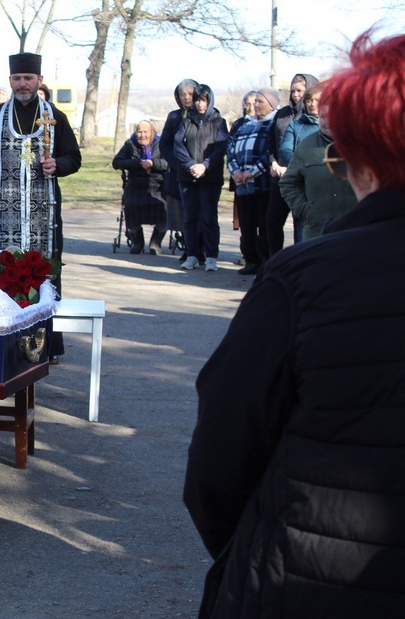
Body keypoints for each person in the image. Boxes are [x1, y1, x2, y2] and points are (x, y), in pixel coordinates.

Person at [184, 31, 405, 617]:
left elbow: (219, 458)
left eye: (340, 157)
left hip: (305, 584)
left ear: (363, 163)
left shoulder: (302, 281)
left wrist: (255, 550)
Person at [0, 52, 81, 361]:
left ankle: (48, 345)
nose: (22, 84)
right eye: (17, 79)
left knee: (44, 274)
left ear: (39, 81)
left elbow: (74, 158)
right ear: (10, 81)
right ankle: (0, 340)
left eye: (28, 78)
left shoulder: (54, 116)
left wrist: (57, 164)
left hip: (42, 216)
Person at [279, 107, 357, 241]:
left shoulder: (362, 144)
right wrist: (306, 210)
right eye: (322, 117)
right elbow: (288, 183)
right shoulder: (306, 146)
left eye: (332, 116)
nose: (327, 122)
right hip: (317, 232)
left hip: (355, 230)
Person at [173, 83, 227, 272]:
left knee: (209, 217)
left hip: (210, 177)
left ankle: (211, 257)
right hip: (188, 177)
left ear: (209, 100)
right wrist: (190, 165)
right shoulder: (186, 121)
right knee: (189, 217)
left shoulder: (219, 122)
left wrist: (204, 166)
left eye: (203, 100)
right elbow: (178, 145)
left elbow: (220, 148)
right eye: (197, 100)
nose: (200, 104)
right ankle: (192, 255)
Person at [265, 72, 319, 252]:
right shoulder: (283, 115)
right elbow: (273, 144)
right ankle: (275, 263)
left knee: (301, 225)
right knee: (272, 222)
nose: (296, 95)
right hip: (281, 176)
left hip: (307, 179)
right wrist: (273, 162)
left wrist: (297, 167)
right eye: (293, 91)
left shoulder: (322, 121)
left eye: (300, 91)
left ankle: (300, 264)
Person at [226, 88, 277, 275]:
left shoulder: (273, 124)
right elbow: (230, 149)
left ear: (271, 104)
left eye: (259, 102)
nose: (255, 105)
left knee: (264, 225)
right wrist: (235, 171)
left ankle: (264, 261)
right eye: (254, 102)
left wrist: (253, 172)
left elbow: (271, 152)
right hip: (242, 185)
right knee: (246, 226)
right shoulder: (244, 125)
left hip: (262, 184)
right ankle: (251, 260)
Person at [159, 78, 202, 265]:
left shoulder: (205, 114)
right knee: (184, 213)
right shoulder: (174, 116)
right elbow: (165, 144)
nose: (186, 98)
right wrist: (178, 163)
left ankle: (202, 249)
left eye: (190, 94)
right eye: (182, 94)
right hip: (178, 172)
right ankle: (189, 248)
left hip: (200, 172)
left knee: (201, 213)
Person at [111, 119, 167, 254]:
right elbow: (117, 162)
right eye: (139, 132)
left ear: (152, 132)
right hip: (136, 182)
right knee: (130, 206)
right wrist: (138, 163)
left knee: (164, 208)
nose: (142, 135)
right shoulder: (130, 144)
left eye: (145, 132)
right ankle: (138, 241)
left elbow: (169, 163)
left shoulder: (162, 144)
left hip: (158, 183)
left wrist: (153, 163)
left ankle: (156, 242)